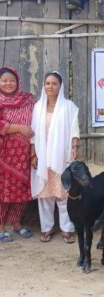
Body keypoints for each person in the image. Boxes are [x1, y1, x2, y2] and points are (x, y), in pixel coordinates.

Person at [31, 71, 80, 243]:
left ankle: (67, 228)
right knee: (45, 195)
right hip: (42, 157)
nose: (50, 86)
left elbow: (75, 129)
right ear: (43, 86)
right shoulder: (37, 107)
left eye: (54, 83)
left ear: (61, 86)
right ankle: (47, 228)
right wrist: (33, 154)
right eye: (47, 83)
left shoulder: (69, 107)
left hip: (62, 155)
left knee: (63, 193)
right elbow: (33, 134)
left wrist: (74, 146)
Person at [0, 67, 35, 242]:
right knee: (3, 192)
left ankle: (17, 224)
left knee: (20, 190)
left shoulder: (28, 100)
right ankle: (1, 227)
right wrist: (19, 128)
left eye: (12, 80)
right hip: (3, 155)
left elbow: (38, 118)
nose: (8, 83)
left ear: (18, 81)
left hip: (23, 154)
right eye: (4, 80)